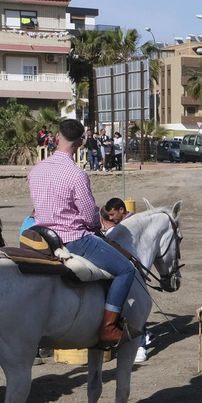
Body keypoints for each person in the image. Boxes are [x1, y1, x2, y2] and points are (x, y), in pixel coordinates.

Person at [29, 118, 140, 347]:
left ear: (57, 137)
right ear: (82, 141)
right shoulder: (76, 174)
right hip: (71, 239)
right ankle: (108, 328)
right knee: (126, 270)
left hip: (38, 236)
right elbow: (90, 216)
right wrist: (94, 224)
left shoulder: (37, 169)